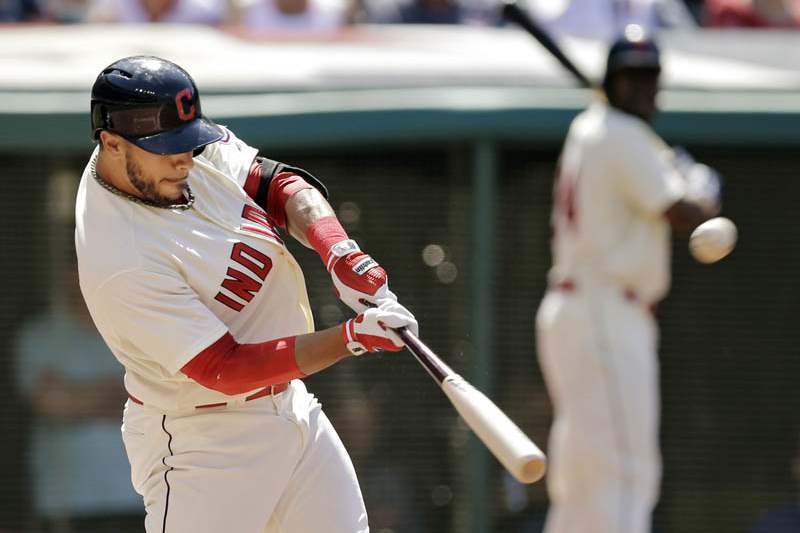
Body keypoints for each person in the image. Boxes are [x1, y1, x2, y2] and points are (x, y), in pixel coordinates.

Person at [75, 55, 418, 533]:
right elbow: (224, 368)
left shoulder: (180, 155)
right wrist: (350, 338)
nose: (183, 159)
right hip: (204, 440)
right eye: (166, 148)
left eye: (187, 143)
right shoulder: (119, 255)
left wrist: (338, 250)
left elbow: (277, 183)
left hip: (292, 408)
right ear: (111, 143)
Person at [534, 25, 722, 533]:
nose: (640, 88)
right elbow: (688, 212)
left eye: (648, 78)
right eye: (628, 78)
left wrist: (673, 168)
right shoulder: (621, 133)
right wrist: (703, 183)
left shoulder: (596, 128)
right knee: (624, 472)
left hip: (582, 312)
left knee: (584, 477)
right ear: (611, 83)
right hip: (604, 312)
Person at [14, 250, 143, 532]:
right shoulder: (40, 334)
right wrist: (122, 390)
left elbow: (162, 401)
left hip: (140, 498)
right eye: (72, 268)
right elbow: (51, 404)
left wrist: (75, 394)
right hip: (68, 501)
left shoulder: (138, 329)